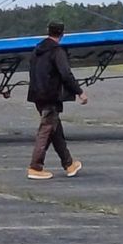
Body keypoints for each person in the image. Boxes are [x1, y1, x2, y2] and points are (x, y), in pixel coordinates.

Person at [26, 21, 88, 180]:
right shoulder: (57, 51)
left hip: (37, 95)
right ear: (62, 34)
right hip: (50, 96)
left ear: (48, 31)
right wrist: (79, 92)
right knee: (46, 130)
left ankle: (69, 164)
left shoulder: (36, 50)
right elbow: (66, 74)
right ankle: (35, 167)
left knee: (56, 131)